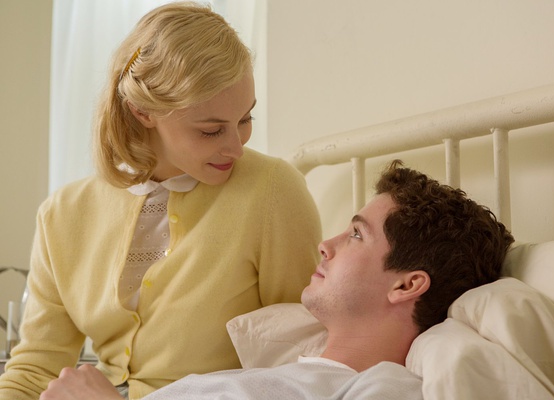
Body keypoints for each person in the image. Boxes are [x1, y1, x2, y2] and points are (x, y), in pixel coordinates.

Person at [0, 2, 321, 399]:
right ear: (142, 111)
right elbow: (35, 369)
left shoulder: (272, 192)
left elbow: (303, 363)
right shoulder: (62, 215)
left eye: (245, 119)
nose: (237, 147)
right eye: (211, 131)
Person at [38, 160, 515, 399]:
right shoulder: (280, 374)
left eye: (356, 234)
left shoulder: (383, 388)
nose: (325, 245)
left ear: (407, 285)